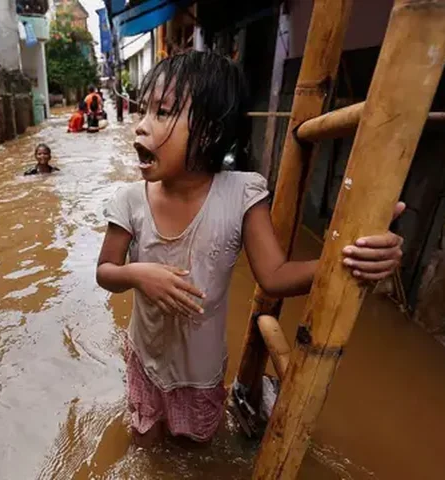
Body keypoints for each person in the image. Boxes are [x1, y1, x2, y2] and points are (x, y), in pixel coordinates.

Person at [96, 52, 405, 447]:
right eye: (144, 111)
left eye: (161, 112)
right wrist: (138, 274)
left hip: (200, 372)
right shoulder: (129, 200)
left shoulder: (241, 193)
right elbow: (106, 271)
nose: (139, 127)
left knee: (194, 452)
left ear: (208, 131)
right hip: (145, 357)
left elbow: (275, 277)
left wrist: (346, 256)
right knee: (144, 442)